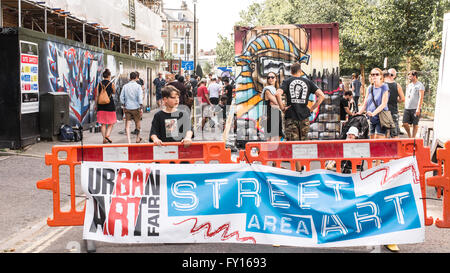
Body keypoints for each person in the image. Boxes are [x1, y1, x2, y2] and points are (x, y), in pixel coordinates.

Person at [276, 62, 325, 141]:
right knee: (303, 144)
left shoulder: (287, 81)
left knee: (292, 145)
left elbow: (277, 94)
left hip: (291, 117)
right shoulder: (308, 82)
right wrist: (311, 109)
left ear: (291, 71)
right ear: (300, 71)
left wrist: (282, 108)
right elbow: (322, 96)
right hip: (304, 117)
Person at [357, 68, 390, 140]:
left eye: (377, 74)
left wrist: (373, 113)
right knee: (371, 141)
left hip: (381, 118)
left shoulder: (384, 87)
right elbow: (365, 103)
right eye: (373, 74)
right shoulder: (370, 88)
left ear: (381, 76)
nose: (374, 76)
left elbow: (383, 104)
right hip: (371, 119)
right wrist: (358, 113)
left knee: (378, 140)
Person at [120, 72, 143, 144]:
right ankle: (137, 138)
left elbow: (121, 97)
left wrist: (123, 104)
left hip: (127, 107)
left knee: (127, 124)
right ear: (136, 77)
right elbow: (140, 97)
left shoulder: (125, 86)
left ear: (130, 78)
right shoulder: (138, 86)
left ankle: (129, 141)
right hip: (136, 107)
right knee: (137, 122)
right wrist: (141, 106)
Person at [95, 69, 117, 144]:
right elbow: (114, 92)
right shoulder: (111, 84)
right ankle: (107, 135)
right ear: (109, 76)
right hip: (110, 105)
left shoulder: (99, 84)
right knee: (111, 122)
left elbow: (97, 95)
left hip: (101, 106)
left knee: (103, 123)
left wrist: (96, 105)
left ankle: (104, 139)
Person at [261, 72, 284, 141]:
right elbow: (277, 102)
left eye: (272, 77)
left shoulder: (275, 89)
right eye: (268, 77)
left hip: (275, 114)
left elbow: (276, 104)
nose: (270, 79)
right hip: (271, 116)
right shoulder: (268, 90)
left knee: (275, 138)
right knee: (272, 139)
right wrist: (282, 103)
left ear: (276, 78)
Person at [403, 70, 425, 138]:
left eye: (410, 76)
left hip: (415, 108)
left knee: (415, 124)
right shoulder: (409, 85)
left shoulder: (420, 85)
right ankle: (409, 136)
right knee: (405, 123)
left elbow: (421, 97)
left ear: (414, 76)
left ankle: (413, 138)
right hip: (407, 107)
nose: (409, 77)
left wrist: (418, 108)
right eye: (409, 76)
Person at [384, 68, 405, 138]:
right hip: (393, 111)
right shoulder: (397, 85)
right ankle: (396, 149)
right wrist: (396, 100)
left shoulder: (382, 84)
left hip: (383, 111)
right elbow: (402, 99)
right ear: (394, 76)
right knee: (394, 134)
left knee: (384, 134)